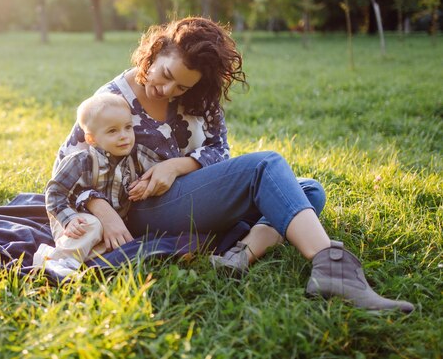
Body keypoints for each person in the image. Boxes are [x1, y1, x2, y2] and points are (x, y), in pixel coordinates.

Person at [55, 17, 414, 312]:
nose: (168, 90)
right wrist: (101, 208)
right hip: (141, 207)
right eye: (165, 75)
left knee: (307, 189)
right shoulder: (111, 100)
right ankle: (332, 267)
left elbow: (218, 150)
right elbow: (66, 166)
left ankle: (240, 256)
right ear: (155, 52)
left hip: (187, 192)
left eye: (181, 87)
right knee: (266, 167)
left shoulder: (198, 98)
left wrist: (177, 166)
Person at [35, 93, 158, 276]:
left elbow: (157, 170)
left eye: (128, 127)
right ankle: (57, 261)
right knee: (91, 225)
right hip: (76, 220)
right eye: (112, 131)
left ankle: (67, 260)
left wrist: (145, 182)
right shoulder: (81, 161)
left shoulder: (137, 157)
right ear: (91, 139)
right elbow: (54, 193)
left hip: (112, 225)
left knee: (117, 247)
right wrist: (69, 220)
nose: (124, 136)